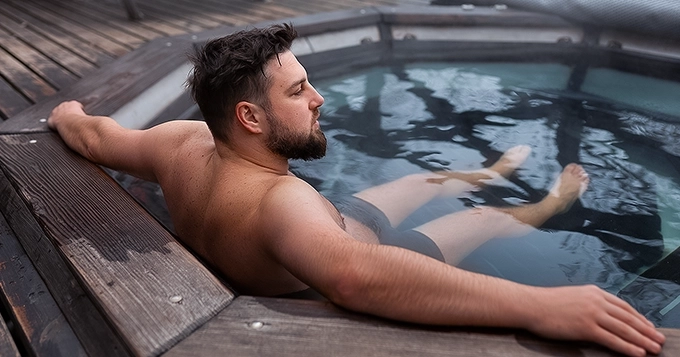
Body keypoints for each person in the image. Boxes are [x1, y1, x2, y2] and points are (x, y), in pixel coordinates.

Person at [47, 24, 665, 357]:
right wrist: (542, 306)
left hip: (335, 223)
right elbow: (355, 276)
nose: (319, 99)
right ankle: (544, 201)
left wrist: (64, 114)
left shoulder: (179, 143)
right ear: (250, 119)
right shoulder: (280, 204)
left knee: (420, 179)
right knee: (488, 221)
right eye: (297, 92)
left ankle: (487, 170)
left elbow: (96, 135)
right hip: (356, 247)